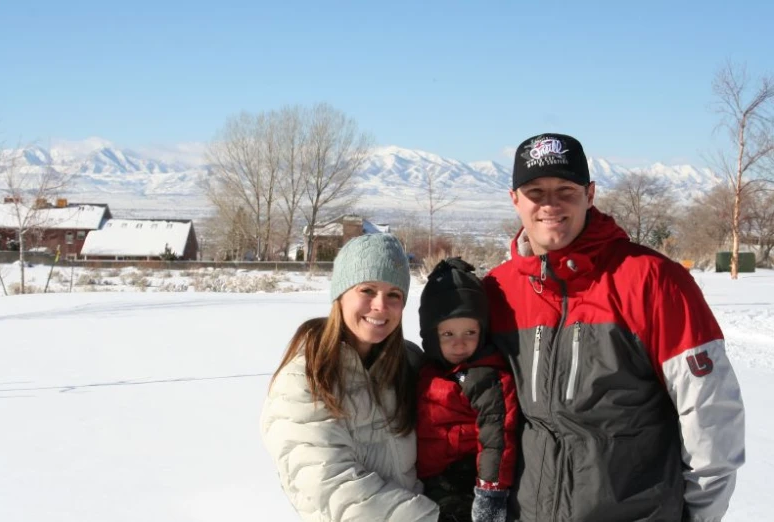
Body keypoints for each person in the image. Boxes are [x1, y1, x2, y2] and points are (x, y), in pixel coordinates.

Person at [483, 133, 745, 522]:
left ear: (590, 194)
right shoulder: (498, 291)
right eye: (536, 191)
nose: (550, 204)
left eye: (566, 190)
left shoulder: (652, 281)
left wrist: (701, 515)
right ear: (515, 199)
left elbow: (709, 414)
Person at [260, 233, 439, 522]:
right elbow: (331, 486)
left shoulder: (409, 363)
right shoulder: (304, 378)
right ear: (340, 295)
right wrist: (434, 517)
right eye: (367, 290)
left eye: (394, 294)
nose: (381, 305)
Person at [416, 257, 518, 522]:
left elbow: (497, 435)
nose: (459, 344)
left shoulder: (484, 375)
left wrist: (490, 493)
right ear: (431, 335)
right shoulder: (425, 369)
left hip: (463, 480)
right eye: (448, 334)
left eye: (470, 333)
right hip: (424, 479)